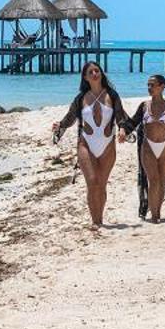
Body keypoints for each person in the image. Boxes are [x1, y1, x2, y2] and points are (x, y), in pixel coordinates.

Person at [51, 61, 127, 230]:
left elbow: (121, 116)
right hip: (86, 143)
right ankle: (95, 221)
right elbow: (70, 117)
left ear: (101, 74)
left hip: (108, 145)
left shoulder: (112, 95)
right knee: (92, 182)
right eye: (91, 72)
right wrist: (60, 126)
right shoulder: (81, 98)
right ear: (85, 77)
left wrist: (122, 129)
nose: (94, 73)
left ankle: (100, 217)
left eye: (97, 70)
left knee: (101, 183)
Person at [125, 75, 165, 222]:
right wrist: (122, 129)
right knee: (154, 181)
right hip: (148, 147)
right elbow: (132, 122)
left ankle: (158, 212)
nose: (150, 88)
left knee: (162, 182)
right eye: (148, 85)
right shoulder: (144, 105)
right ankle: (154, 216)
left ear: (162, 86)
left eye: (153, 85)